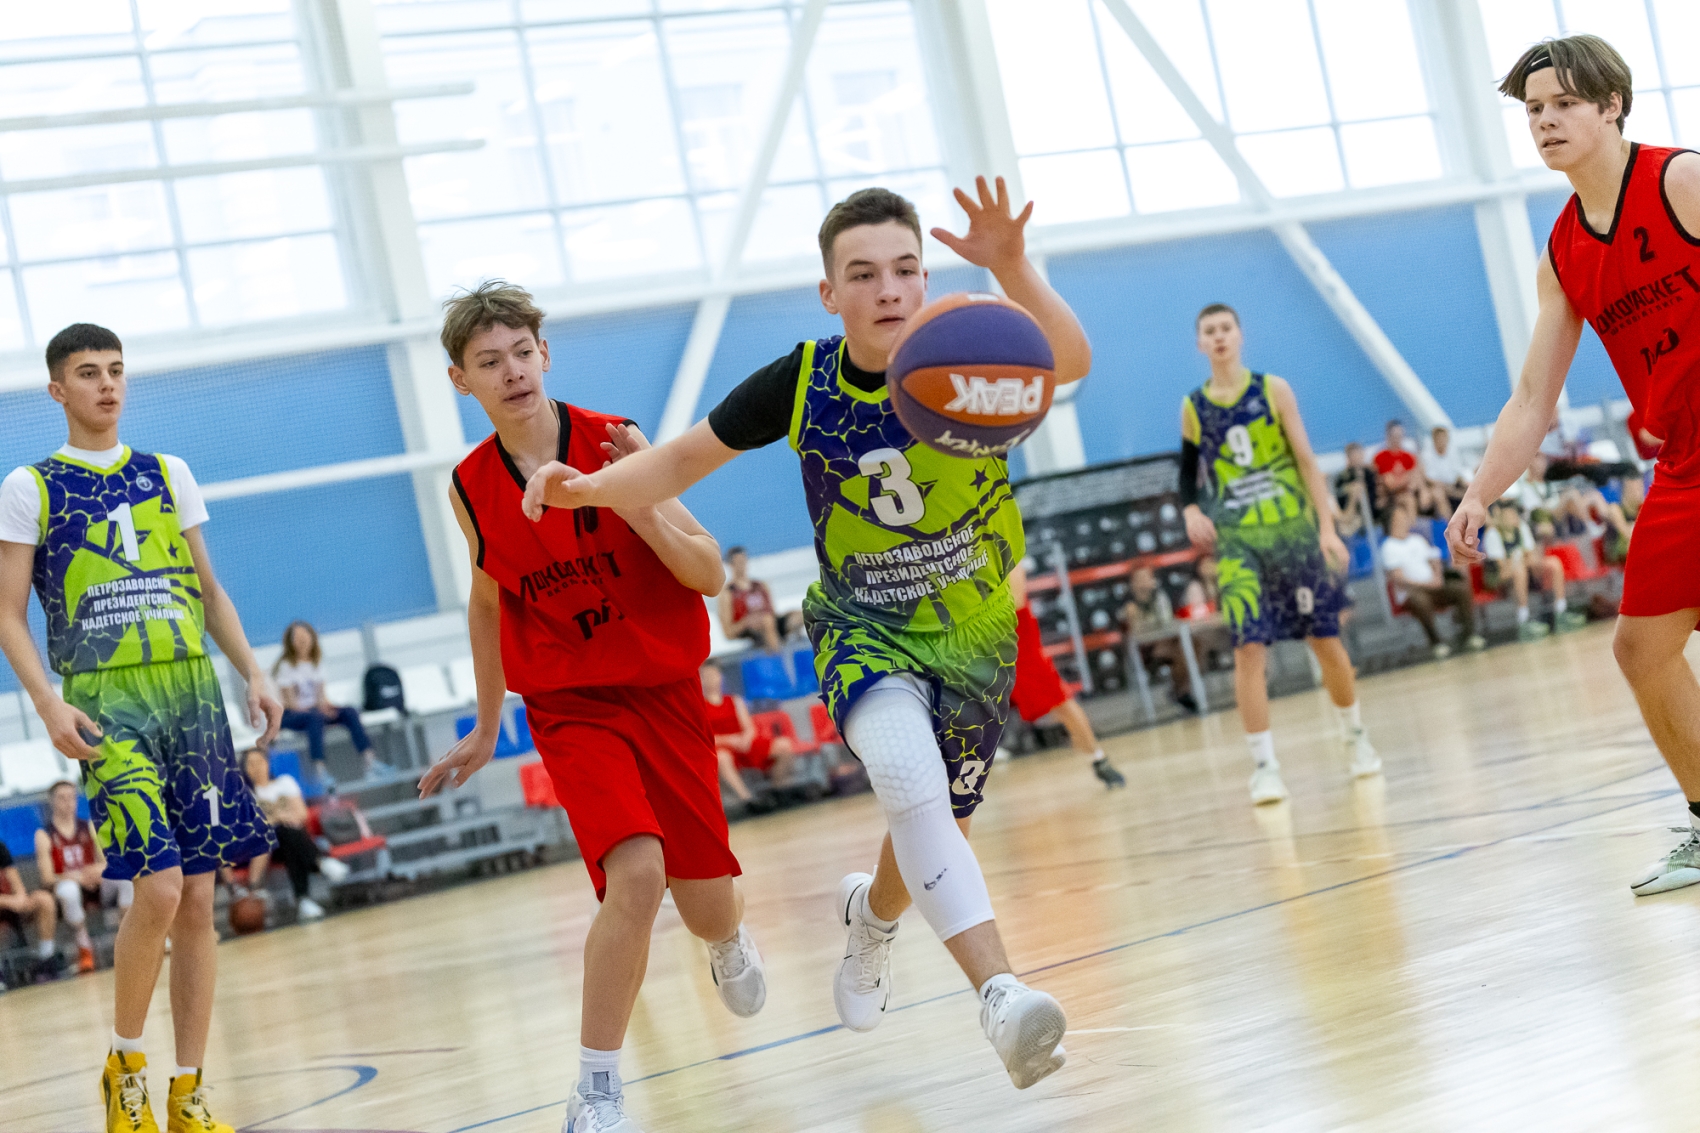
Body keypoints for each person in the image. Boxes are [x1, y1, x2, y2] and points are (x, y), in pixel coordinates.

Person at [523, 180, 1086, 1090]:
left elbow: (1071, 360)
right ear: (830, 292)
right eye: (862, 273)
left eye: (905, 268)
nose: (888, 288)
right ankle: (1001, 994)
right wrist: (586, 490)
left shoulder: (969, 351)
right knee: (908, 781)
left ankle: (873, 919)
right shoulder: (804, 380)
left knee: (933, 823)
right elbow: (681, 458)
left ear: (927, 277)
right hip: (864, 626)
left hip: (975, 632)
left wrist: (1014, 267)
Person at [418, 282, 764, 1133]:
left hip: (663, 689)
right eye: (489, 362)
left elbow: (707, 573)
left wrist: (632, 499)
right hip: (572, 703)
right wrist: (488, 723)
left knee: (706, 905)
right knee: (636, 873)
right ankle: (598, 1090)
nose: (511, 372)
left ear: (545, 353)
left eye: (521, 353)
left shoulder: (616, 439)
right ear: (462, 380)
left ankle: (726, 937)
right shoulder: (468, 486)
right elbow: (488, 602)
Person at [0, 322, 281, 1133]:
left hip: (190, 693)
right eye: (89, 372)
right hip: (107, 699)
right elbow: (7, 612)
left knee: (198, 897)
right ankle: (124, 1068)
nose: (107, 384)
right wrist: (47, 703)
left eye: (117, 370)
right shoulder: (31, 485)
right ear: (57, 389)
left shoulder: (168, 472)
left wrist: (253, 671)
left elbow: (210, 589)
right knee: (158, 885)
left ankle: (188, 1090)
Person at [1445, 35, 1700, 896]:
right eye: (1533, 110)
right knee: (1641, 648)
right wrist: (1480, 492)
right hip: (1684, 463)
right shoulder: (1563, 252)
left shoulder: (1680, 181)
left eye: (1563, 104)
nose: (1545, 121)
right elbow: (1531, 398)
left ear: (1612, 105)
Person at [1180, 303, 1380, 806]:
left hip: (1293, 535)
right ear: (1199, 343)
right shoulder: (1194, 407)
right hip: (1239, 543)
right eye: (1210, 331)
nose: (1219, 336)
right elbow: (1187, 474)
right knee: (1248, 650)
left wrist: (1327, 529)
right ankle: (1265, 768)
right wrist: (1190, 508)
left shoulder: (1273, 390)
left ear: (1240, 335)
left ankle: (1355, 736)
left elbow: (1308, 462)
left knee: (1324, 639)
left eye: (1226, 328)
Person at [1007, 563, 1125, 786]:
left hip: (1018, 644)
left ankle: (1099, 759)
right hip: (990, 646)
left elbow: (1015, 602)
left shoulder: (1006, 556)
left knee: (1061, 703)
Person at [234, 748, 349, 921]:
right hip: (269, 849)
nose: (256, 767)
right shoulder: (245, 795)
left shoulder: (285, 783)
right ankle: (320, 863)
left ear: (267, 763)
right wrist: (281, 817)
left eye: (259, 762)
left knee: (289, 836)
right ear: (245, 769)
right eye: (251, 764)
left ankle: (304, 901)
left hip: (293, 840)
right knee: (283, 830)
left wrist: (277, 819)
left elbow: (302, 814)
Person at [272, 620, 388, 782]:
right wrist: (317, 710)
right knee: (315, 718)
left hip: (315, 711)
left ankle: (370, 761)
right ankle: (320, 771)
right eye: (297, 638)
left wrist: (328, 707)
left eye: (304, 637)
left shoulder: (316, 663)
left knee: (349, 712)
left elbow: (321, 696)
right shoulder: (286, 666)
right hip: (293, 715)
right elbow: (291, 703)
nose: (302, 641)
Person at [36, 779, 133, 973]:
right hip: (66, 888)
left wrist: (98, 870)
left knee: (125, 880)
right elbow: (47, 878)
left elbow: (107, 861)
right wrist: (77, 876)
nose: (68, 802)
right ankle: (84, 947)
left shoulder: (88, 826)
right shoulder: (44, 834)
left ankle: (127, 938)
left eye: (71, 797)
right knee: (69, 891)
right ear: (52, 802)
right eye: (62, 798)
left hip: (96, 884)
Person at [1381, 504, 1486, 658]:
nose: (1404, 521)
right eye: (1400, 518)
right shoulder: (1389, 547)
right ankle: (1436, 642)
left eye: (1404, 517)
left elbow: (1434, 560)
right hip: (1412, 592)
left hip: (1434, 586)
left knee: (1460, 588)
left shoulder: (1417, 539)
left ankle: (1469, 635)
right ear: (1391, 522)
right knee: (1420, 601)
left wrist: (1437, 577)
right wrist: (1428, 584)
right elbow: (1399, 578)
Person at [699, 661, 795, 811]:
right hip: (722, 747)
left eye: (714, 674)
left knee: (784, 745)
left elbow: (749, 727)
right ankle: (748, 800)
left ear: (720, 676)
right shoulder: (700, 707)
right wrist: (731, 740)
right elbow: (705, 737)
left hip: (743, 742)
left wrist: (746, 739)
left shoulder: (734, 700)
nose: (711, 679)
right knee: (722, 758)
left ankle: (778, 790)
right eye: (706, 676)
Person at [1482, 500, 1581, 640]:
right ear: (1500, 517)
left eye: (1514, 514)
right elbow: (1502, 569)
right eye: (1509, 515)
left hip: (1524, 572)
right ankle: (1523, 621)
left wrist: (1526, 559)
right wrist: (1518, 560)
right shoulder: (1492, 534)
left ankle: (1561, 612)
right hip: (1500, 580)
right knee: (1519, 570)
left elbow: (1531, 557)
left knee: (1553, 563)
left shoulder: (1521, 527)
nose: (1513, 517)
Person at [1120, 564, 1200, 713]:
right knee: (1181, 652)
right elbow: (1137, 634)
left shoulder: (1160, 598)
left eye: (1147, 577)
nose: (1144, 582)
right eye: (1140, 578)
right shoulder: (1130, 606)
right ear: (1133, 583)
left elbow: (1166, 622)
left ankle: (1180, 690)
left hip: (1166, 642)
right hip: (1146, 651)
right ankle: (1181, 692)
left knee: (1194, 645)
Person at [0, 837, 61, 978]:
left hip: (11, 905)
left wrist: (20, 898)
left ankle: (46, 959)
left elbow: (16, 884)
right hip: (6, 903)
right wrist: (8, 901)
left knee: (44, 899)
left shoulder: (0, 848)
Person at [716, 546, 782, 652]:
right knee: (766, 621)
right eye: (738, 562)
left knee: (801, 615)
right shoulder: (728, 592)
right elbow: (728, 631)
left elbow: (773, 613)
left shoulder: (760, 585)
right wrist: (746, 622)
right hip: (744, 629)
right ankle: (777, 655)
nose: (742, 565)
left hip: (769, 624)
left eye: (743, 561)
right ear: (730, 565)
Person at [1332, 441, 1382, 536]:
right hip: (1352, 514)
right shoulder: (1342, 477)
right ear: (1348, 457)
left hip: (1373, 510)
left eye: (1358, 455)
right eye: (1353, 455)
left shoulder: (1370, 473)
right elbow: (1340, 497)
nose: (1357, 458)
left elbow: (1377, 492)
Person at [1423, 425, 1471, 511]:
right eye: (1440, 438)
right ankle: (1448, 518)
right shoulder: (1427, 455)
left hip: (1453, 485)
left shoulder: (1453, 452)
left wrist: (1464, 483)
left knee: (1472, 489)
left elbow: (1458, 473)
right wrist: (1445, 486)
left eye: (1444, 438)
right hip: (1438, 487)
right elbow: (1428, 478)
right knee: (1438, 494)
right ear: (1434, 439)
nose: (1442, 441)